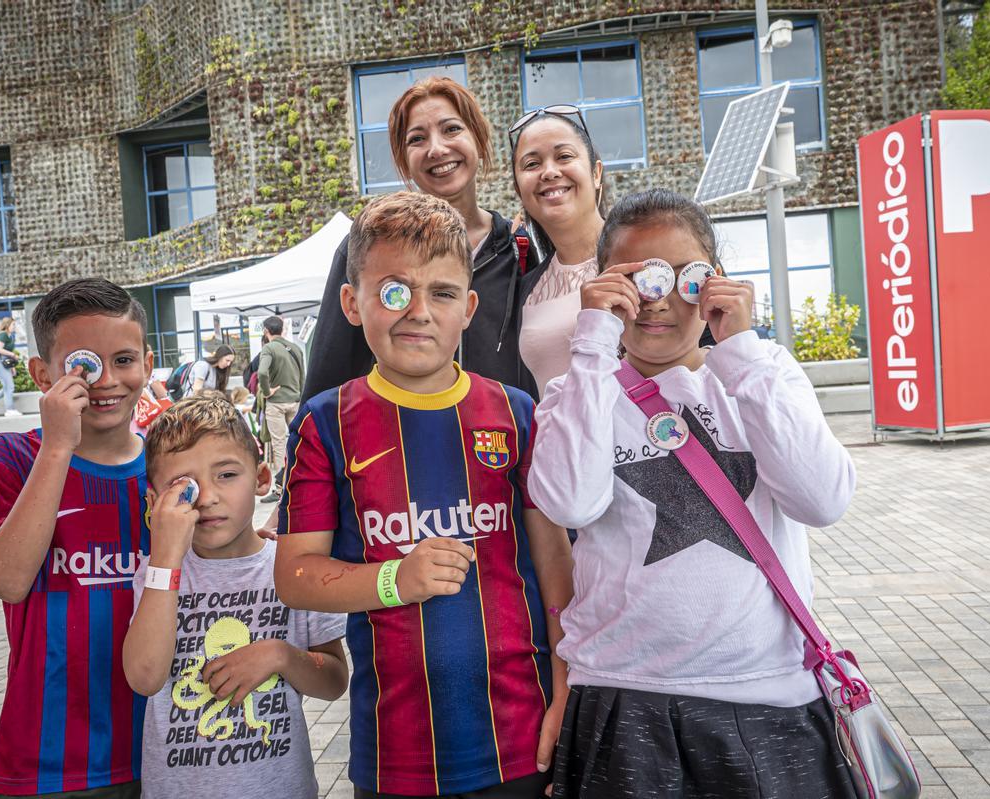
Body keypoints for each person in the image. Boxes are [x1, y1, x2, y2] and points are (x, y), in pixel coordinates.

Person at [528, 190, 859, 799]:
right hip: (623, 695)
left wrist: (741, 350)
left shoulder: (761, 373)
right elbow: (569, 503)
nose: (659, 300)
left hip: (767, 692)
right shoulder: (576, 391)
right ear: (605, 284)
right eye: (638, 280)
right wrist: (593, 341)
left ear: (714, 282)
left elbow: (822, 501)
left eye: (686, 278)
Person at [273, 192, 574, 798]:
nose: (418, 311)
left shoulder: (516, 414)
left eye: (440, 293)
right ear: (352, 304)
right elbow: (294, 575)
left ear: (467, 308)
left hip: (520, 737)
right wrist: (394, 581)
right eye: (393, 291)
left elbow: (555, 567)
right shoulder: (324, 422)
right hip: (395, 752)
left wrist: (568, 684)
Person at [0, 278, 153, 797]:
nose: (107, 381)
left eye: (124, 360)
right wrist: (57, 449)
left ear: (149, 364)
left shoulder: (170, 462)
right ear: (43, 374)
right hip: (50, 761)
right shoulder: (14, 458)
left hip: (166, 747)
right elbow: (8, 581)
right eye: (85, 365)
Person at [123, 395, 348, 799]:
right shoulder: (157, 573)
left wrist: (280, 655)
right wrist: (166, 558)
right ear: (155, 503)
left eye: (226, 475)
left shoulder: (293, 568)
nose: (206, 496)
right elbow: (143, 677)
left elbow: (334, 681)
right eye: (184, 486)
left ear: (262, 478)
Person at [301, 76, 539, 403]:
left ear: (478, 138)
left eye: (452, 129)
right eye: (417, 138)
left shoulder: (518, 250)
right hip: (393, 445)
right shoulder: (369, 247)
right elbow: (329, 374)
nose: (437, 149)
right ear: (404, 159)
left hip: (500, 447)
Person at [510, 107, 608, 394]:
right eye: (531, 164)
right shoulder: (526, 287)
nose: (550, 172)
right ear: (519, 189)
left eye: (564, 156)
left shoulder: (648, 253)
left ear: (596, 173)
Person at [257, 316, 305, 504]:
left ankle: (280, 489)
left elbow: (262, 372)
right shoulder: (295, 348)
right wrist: (299, 395)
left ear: (266, 331)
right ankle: (300, 483)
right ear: (283, 329)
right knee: (299, 442)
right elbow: (303, 375)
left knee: (279, 445)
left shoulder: (269, 348)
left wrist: (267, 391)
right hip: (295, 401)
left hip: (276, 403)